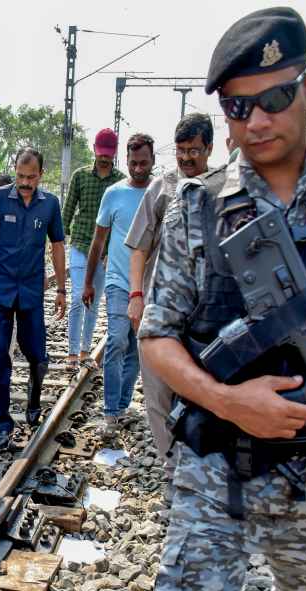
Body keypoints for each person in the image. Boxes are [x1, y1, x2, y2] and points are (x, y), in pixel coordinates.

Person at [139, 7, 306, 591]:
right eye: (236, 107)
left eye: (275, 99)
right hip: (213, 474)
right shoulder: (195, 207)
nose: (254, 121)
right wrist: (227, 400)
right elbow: (156, 336)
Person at [124, 113, 213, 482]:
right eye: (180, 151)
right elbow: (139, 248)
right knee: (157, 395)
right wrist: (136, 294)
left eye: (194, 150)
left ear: (209, 148)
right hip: (159, 310)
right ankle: (172, 464)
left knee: (200, 392)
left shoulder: (220, 189)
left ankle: (201, 463)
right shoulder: (162, 188)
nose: (186, 158)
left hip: (205, 314)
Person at [0, 147, 65, 449]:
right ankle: (2, 422)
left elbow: (57, 245)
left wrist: (60, 289)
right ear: (14, 171)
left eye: (31, 177)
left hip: (32, 291)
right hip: (0, 291)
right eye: (20, 176)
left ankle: (34, 393)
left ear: (41, 175)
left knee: (37, 356)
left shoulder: (50, 205)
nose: (25, 183)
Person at [83, 133, 154, 436]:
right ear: (126, 161)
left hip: (150, 285)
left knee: (137, 349)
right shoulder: (113, 194)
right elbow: (98, 241)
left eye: (144, 163)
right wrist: (88, 282)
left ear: (152, 161)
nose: (138, 168)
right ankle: (111, 412)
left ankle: (123, 405)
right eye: (134, 163)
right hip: (117, 280)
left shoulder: (160, 192)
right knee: (116, 342)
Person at [62, 129, 126, 372]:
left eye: (108, 155)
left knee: (93, 301)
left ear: (114, 153)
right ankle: (71, 352)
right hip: (80, 244)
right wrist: (59, 238)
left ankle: (85, 351)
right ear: (94, 150)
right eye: (101, 154)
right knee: (79, 295)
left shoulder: (120, 182)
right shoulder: (80, 177)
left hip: (104, 252)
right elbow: (68, 209)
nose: (104, 159)